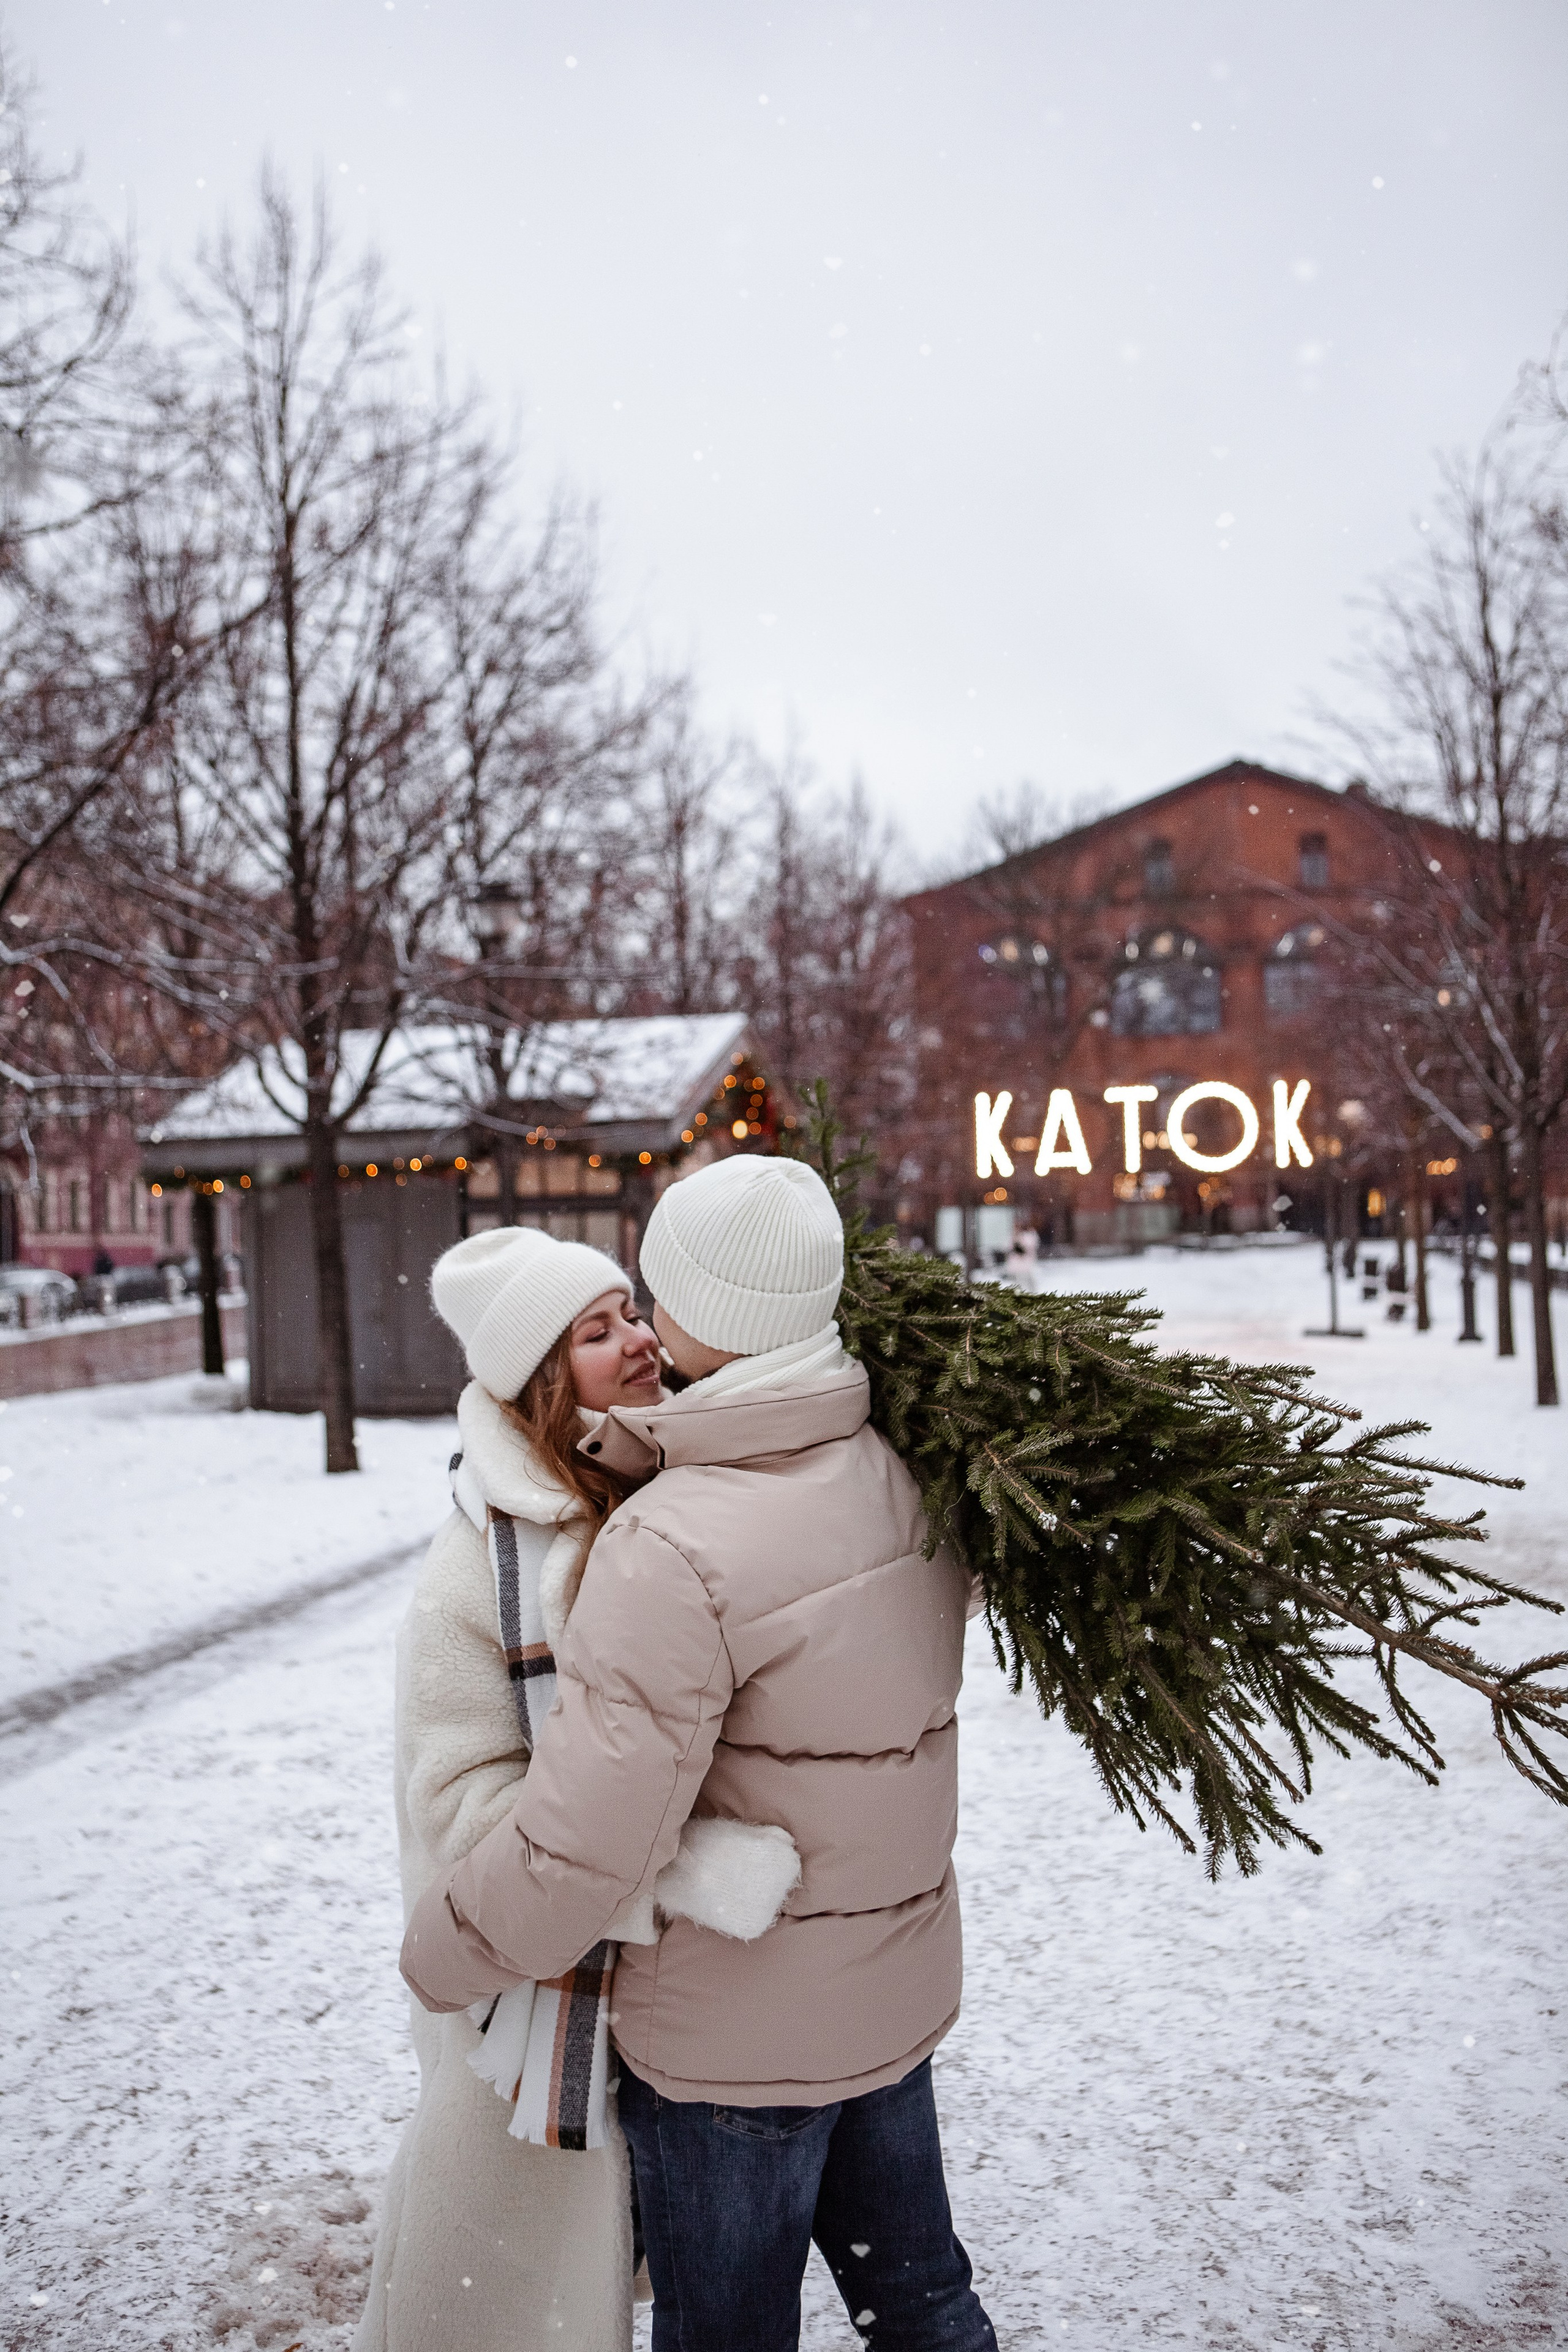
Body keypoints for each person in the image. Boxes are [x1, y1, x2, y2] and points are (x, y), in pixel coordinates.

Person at [401, 1156, 997, 2352]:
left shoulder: (671, 1544)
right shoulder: (893, 1470)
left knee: (726, 2332)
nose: (641, 1324)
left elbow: (588, 1838)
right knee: (924, 2307)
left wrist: (443, 1953)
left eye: (651, 1296)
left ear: (701, 1313)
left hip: (734, 2055)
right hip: (887, 2005)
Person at [358, 1228, 799, 2352]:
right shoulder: (475, 1574)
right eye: (596, 1334)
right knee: (513, 2294)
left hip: (669, 2002)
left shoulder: (662, 1485)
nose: (640, 1342)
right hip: (529, 1998)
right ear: (543, 1380)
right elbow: (463, 1815)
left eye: (633, 1314)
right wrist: (681, 1864)